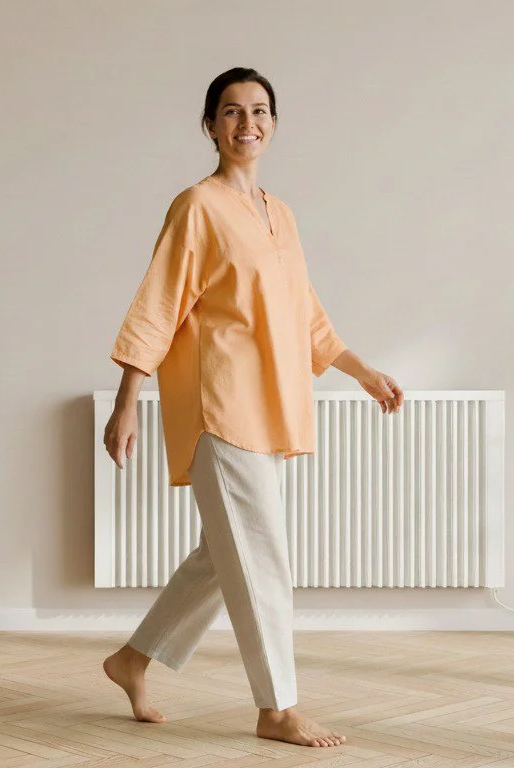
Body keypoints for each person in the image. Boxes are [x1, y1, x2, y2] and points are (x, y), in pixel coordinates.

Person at [101, 67, 404, 749]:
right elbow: (156, 306)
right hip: (220, 405)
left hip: (272, 406)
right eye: (231, 112)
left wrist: (361, 371)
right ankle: (277, 708)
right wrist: (127, 403)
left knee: (223, 554)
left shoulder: (281, 213)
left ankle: (133, 660)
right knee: (261, 554)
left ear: (274, 123)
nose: (247, 125)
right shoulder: (197, 207)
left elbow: (304, 313)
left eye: (260, 111)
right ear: (209, 125)